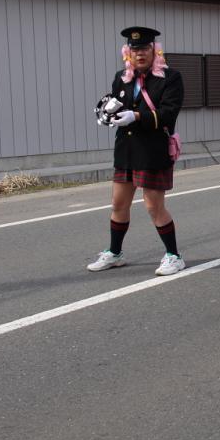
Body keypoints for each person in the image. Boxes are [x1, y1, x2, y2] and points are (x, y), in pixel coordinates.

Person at [87, 27, 186, 275]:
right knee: (118, 203)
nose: (139, 54)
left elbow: (168, 113)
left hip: (153, 150)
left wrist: (136, 116)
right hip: (126, 149)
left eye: (144, 49)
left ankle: (174, 256)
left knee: (153, 206)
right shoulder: (121, 77)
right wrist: (110, 114)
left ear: (155, 50)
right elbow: (117, 108)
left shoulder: (170, 78)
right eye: (135, 49)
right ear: (127, 52)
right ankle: (115, 253)